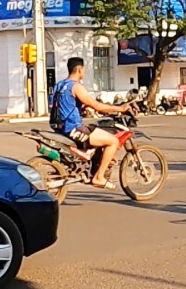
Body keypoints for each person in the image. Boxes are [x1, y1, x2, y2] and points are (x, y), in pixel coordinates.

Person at [51, 56, 129, 189]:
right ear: (79, 70)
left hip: (59, 127)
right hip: (73, 128)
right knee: (113, 141)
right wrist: (120, 108)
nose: (84, 72)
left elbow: (63, 105)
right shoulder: (76, 87)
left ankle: (94, 162)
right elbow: (96, 105)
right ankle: (99, 177)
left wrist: (81, 107)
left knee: (96, 130)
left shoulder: (59, 85)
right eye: (84, 70)